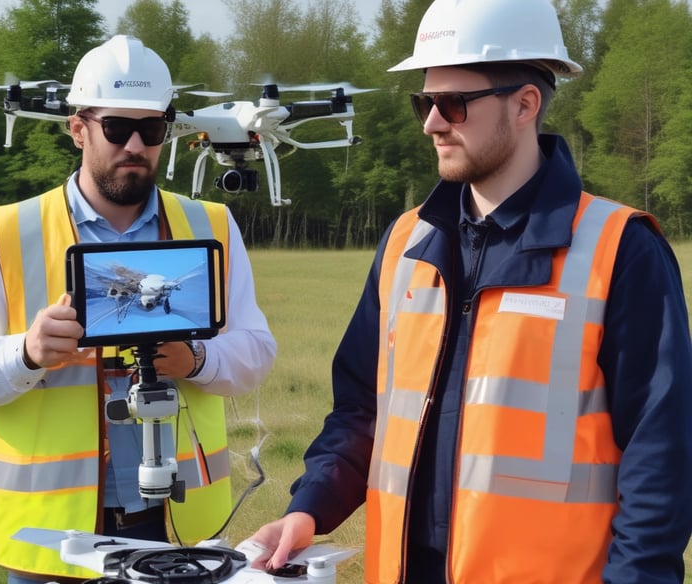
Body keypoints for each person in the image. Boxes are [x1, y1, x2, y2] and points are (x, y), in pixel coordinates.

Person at [248, 0, 692, 582]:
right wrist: (310, 507)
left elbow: (658, 457)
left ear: (525, 104)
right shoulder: (406, 242)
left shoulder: (621, 249)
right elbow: (361, 411)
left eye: (452, 103)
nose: (433, 122)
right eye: (424, 103)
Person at [0, 35, 276, 584]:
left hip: (178, 530)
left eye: (152, 129)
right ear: (78, 128)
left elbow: (256, 350)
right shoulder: (3, 236)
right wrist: (25, 353)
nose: (135, 144)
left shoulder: (212, 227)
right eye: (117, 128)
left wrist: (198, 359)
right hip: (54, 541)